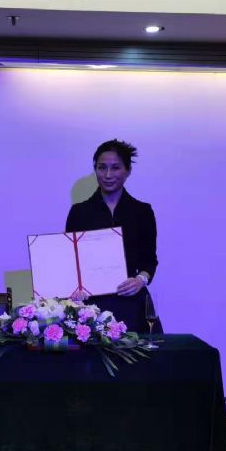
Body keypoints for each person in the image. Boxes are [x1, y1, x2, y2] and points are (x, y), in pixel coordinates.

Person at [65, 139, 163, 334]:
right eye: (102, 168)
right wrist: (74, 288)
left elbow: (149, 261)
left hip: (131, 302)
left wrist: (140, 280)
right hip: (90, 306)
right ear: (95, 169)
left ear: (128, 171)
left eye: (115, 168)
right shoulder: (79, 212)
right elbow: (70, 261)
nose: (108, 175)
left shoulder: (142, 211)